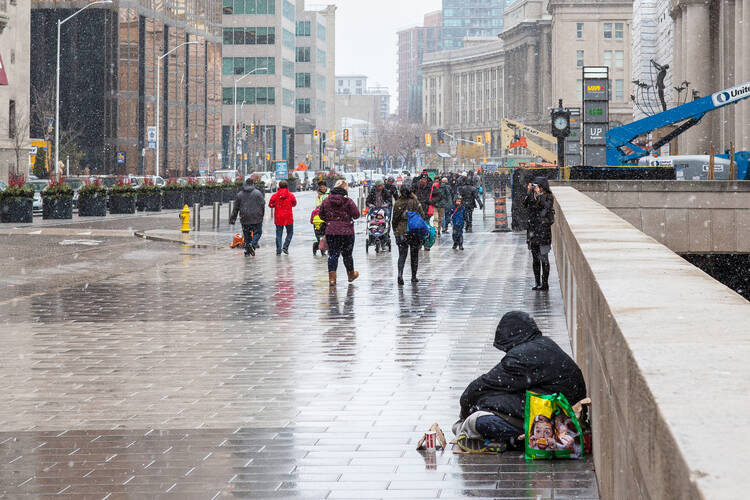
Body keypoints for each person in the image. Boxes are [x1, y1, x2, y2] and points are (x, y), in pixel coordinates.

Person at [455, 311, 586, 452]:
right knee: (488, 404)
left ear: (511, 339)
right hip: (560, 411)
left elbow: (484, 385)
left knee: (481, 419)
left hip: (555, 418)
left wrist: (467, 410)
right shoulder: (542, 345)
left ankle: (519, 441)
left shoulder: (522, 356)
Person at [319, 179, 361, 285]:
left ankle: (332, 279)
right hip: (347, 232)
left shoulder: (326, 201)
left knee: (333, 255)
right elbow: (356, 215)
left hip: (331, 231)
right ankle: (351, 275)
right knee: (347, 255)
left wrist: (331, 221)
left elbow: (321, 215)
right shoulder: (348, 201)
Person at [522, 177, 555, 291]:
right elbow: (524, 205)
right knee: (535, 259)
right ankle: (537, 282)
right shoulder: (532, 196)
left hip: (544, 232)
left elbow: (547, 207)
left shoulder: (548, 196)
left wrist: (540, 196)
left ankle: (545, 283)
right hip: (533, 231)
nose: (535, 188)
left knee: (544, 258)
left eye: (537, 186)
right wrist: (528, 192)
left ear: (542, 187)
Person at [391, 185, 424, 285]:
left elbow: (394, 219)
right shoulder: (415, 202)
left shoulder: (397, 203)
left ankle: (400, 275)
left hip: (401, 232)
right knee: (414, 255)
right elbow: (422, 215)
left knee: (402, 255)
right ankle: (413, 277)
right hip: (414, 230)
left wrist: (395, 231)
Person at [229, 177, 265, 256]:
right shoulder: (258, 193)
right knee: (258, 232)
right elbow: (262, 205)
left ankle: (247, 250)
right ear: (253, 184)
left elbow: (236, 208)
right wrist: (262, 215)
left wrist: (232, 219)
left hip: (244, 217)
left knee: (247, 235)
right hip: (256, 217)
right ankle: (252, 244)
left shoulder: (240, 194)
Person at [268, 179, 297, 255]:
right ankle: (285, 246)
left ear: (279, 186)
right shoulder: (291, 195)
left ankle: (278, 250)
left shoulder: (275, 195)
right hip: (288, 217)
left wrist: (276, 205)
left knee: (279, 234)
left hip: (279, 217)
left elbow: (270, 205)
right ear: (287, 186)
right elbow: (294, 204)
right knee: (290, 232)